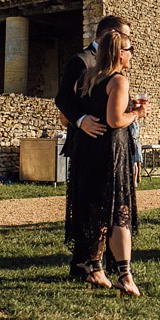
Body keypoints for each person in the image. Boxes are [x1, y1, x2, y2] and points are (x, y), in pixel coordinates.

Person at [71, 30, 150, 296]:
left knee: (96, 211)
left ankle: (95, 269)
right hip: (111, 153)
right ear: (119, 53)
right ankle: (125, 276)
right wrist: (136, 113)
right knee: (119, 212)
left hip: (88, 152)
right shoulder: (118, 81)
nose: (131, 54)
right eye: (129, 49)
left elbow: (65, 116)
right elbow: (115, 120)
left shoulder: (87, 78)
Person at [55, 14, 131, 280]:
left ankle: (103, 266)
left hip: (113, 144)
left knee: (104, 207)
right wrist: (81, 120)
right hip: (88, 143)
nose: (129, 45)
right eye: (126, 38)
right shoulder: (81, 61)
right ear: (112, 34)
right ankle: (85, 265)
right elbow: (63, 99)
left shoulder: (115, 68)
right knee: (89, 206)